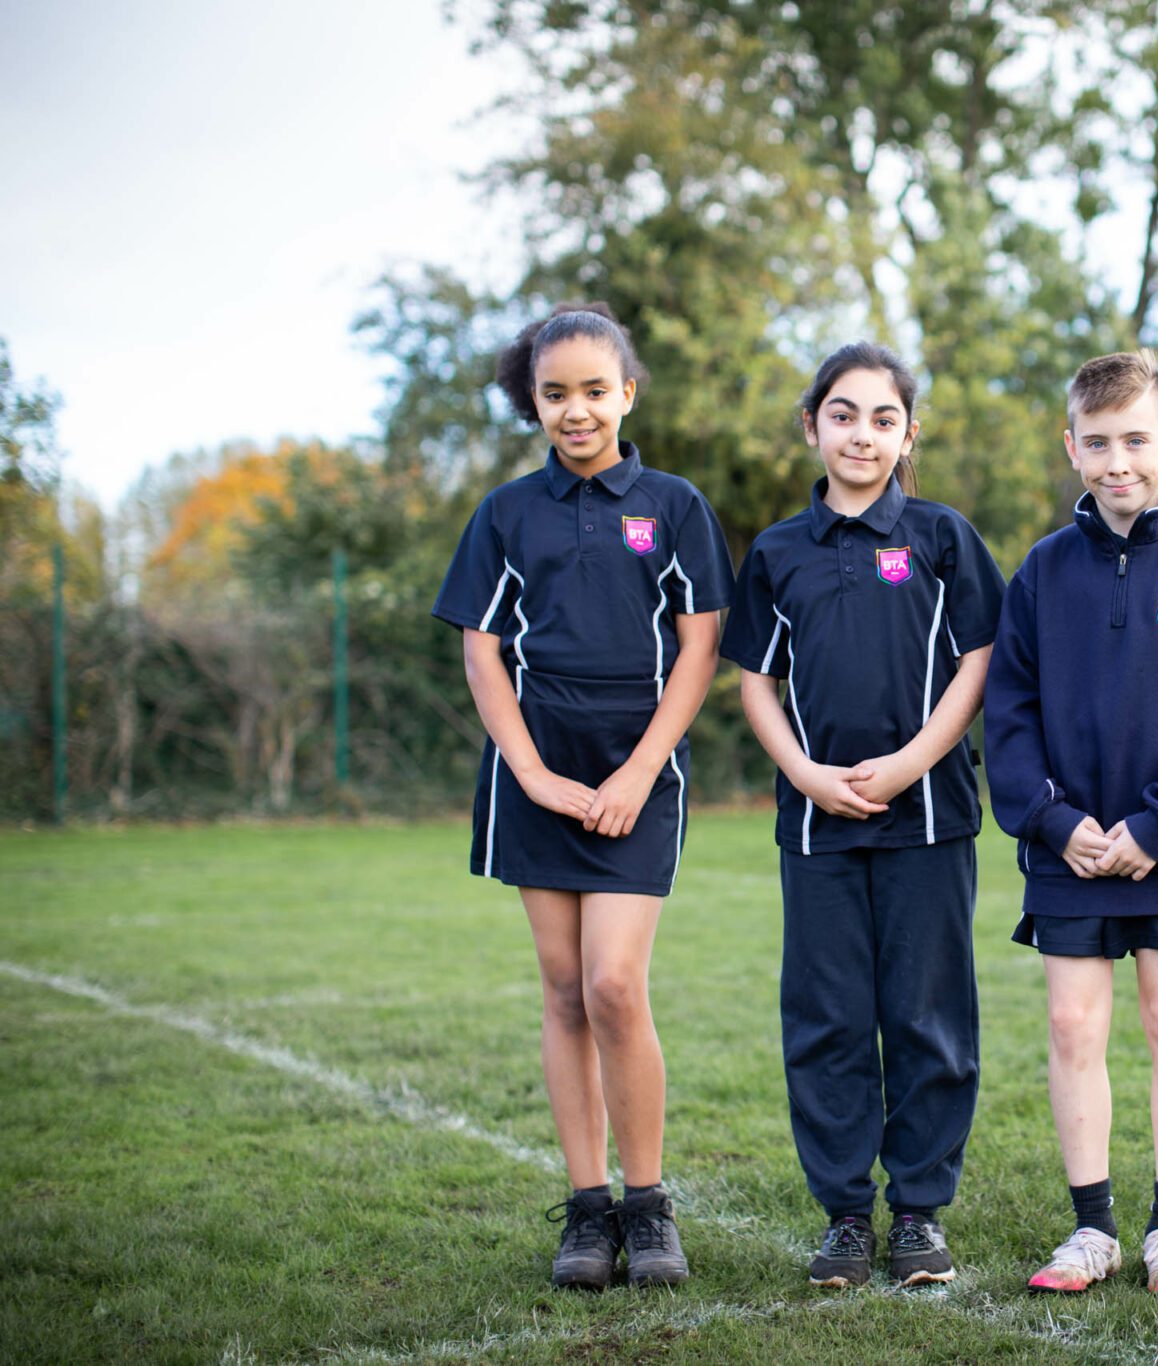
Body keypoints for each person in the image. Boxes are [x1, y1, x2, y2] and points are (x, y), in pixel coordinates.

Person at [432, 303, 734, 1290]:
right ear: (533, 400)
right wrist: (530, 772)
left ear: (627, 393)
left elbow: (700, 646)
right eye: (555, 393)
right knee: (564, 991)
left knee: (612, 983)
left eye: (594, 390)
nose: (576, 410)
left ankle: (648, 1207)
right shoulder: (505, 513)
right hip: (538, 768)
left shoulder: (673, 505)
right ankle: (587, 1210)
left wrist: (640, 770)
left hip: (636, 765)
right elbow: (481, 651)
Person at [720, 342, 1005, 1289]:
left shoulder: (942, 537)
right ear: (813, 425)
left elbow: (980, 661)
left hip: (929, 818)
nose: (862, 435)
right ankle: (845, 1214)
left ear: (908, 435)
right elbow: (756, 681)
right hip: (818, 827)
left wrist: (912, 762)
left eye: (884, 419)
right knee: (829, 1020)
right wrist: (804, 772)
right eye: (843, 415)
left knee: (928, 1017)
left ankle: (919, 1210)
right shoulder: (777, 552)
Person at [985, 350, 1158, 1294]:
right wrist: (1050, 820)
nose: (1119, 462)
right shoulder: (1041, 571)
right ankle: (1093, 1229)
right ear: (1071, 447)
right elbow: (1009, 711)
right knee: (1072, 1024)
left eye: (1136, 440)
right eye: (1099, 442)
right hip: (1067, 844)